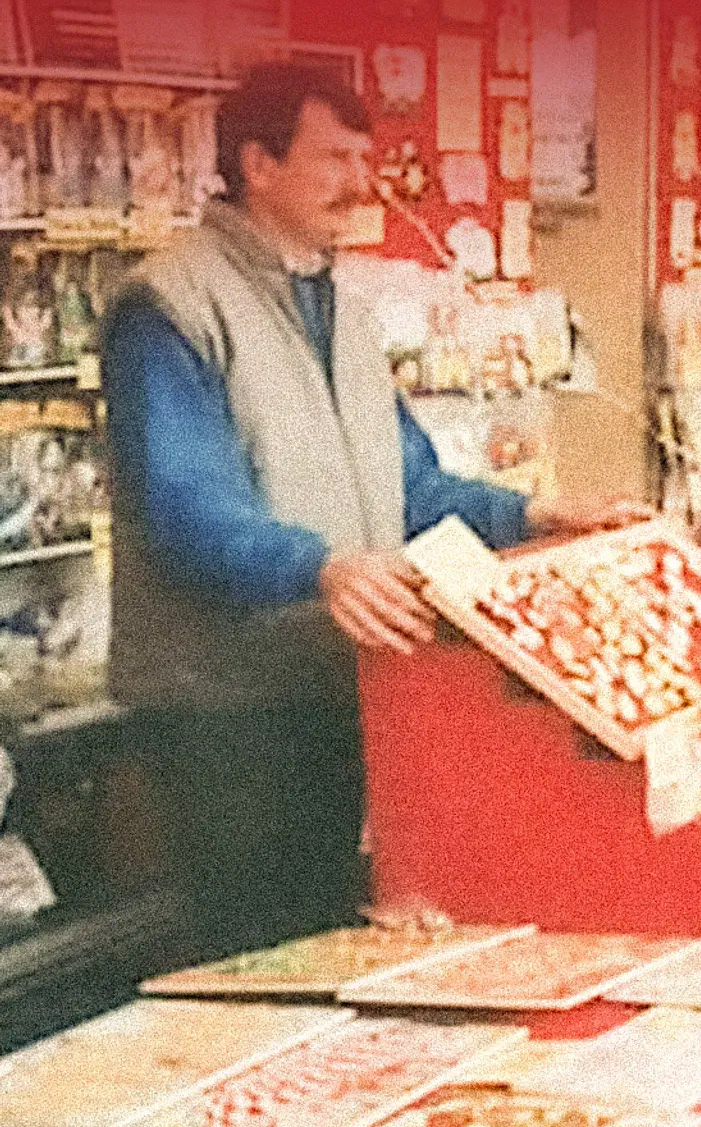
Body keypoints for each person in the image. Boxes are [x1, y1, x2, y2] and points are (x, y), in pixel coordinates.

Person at [101, 62, 629, 940]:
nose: (361, 183)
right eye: (336, 159)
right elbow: (184, 505)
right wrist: (321, 570)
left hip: (343, 691)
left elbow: (409, 485)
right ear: (259, 165)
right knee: (257, 957)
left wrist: (531, 516)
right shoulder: (169, 304)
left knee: (340, 941)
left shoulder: (345, 313)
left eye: (363, 157)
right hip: (225, 714)